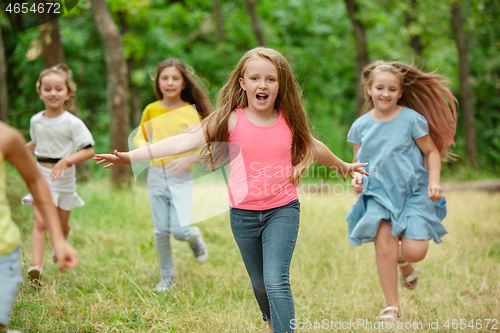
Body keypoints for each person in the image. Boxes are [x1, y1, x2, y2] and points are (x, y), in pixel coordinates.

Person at [94, 47, 368, 333]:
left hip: (282, 210)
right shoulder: (231, 119)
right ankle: (272, 321)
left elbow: (315, 147)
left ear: (280, 84)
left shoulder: (289, 120)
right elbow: (180, 142)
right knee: (260, 283)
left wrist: (342, 166)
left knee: (276, 280)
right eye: (255, 78)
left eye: (271, 79)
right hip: (243, 215)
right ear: (242, 82)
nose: (262, 85)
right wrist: (131, 156)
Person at [346, 61, 457, 322]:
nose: (386, 94)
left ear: (400, 92)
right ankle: (391, 307)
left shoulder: (412, 120)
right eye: (380, 88)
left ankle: (404, 262)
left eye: (392, 89)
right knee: (383, 244)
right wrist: (356, 180)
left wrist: (434, 181)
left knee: (415, 250)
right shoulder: (360, 126)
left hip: (414, 194)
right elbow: (358, 164)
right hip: (379, 196)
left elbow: (431, 152)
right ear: (369, 90)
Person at [133, 58, 212, 292]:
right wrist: (143, 149)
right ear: (157, 81)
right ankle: (166, 277)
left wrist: (189, 158)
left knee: (179, 230)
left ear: (183, 82)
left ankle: (193, 236)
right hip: (156, 175)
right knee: (160, 231)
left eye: (175, 78)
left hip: (181, 178)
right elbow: (140, 136)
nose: (169, 82)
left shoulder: (191, 113)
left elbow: (204, 145)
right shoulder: (151, 109)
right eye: (164, 78)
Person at [0, 121, 79, 333]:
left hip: (3, 253)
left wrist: (59, 240)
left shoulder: (6, 136)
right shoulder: (35, 123)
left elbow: (35, 181)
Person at [21, 64, 94, 286]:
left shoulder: (73, 123)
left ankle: (61, 241)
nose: (53, 93)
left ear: (68, 93)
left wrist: (66, 160)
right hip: (40, 174)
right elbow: (37, 142)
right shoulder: (36, 120)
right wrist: (22, 150)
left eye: (58, 89)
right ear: (40, 91)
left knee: (61, 226)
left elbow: (89, 150)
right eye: (48, 89)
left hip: (64, 178)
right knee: (41, 222)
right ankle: (36, 268)